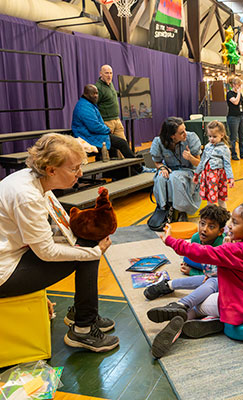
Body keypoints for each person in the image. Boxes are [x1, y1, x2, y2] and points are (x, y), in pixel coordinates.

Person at [0, 134, 118, 352]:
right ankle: (83, 329)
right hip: (5, 272)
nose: (80, 173)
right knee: (87, 252)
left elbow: (57, 228)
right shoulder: (27, 196)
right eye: (74, 168)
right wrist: (93, 252)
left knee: (85, 244)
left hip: (14, 254)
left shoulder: (35, 179)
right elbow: (46, 252)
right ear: (51, 170)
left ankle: (83, 313)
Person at [151, 200, 243, 358]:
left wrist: (170, 240)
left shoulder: (234, 250)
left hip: (237, 309)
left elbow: (201, 252)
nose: (229, 226)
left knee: (198, 305)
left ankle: (184, 320)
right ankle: (212, 320)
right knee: (211, 286)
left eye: (234, 222)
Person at [71, 85, 142, 174]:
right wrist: (107, 130)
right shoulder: (84, 107)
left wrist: (105, 130)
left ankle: (123, 173)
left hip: (93, 134)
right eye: (93, 94)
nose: (96, 96)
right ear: (86, 94)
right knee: (122, 143)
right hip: (88, 136)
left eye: (97, 93)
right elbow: (94, 126)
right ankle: (139, 169)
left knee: (114, 148)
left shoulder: (88, 104)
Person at [150, 117, 202, 221]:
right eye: (181, 132)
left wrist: (190, 157)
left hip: (188, 171)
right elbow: (157, 161)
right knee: (160, 177)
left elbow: (199, 164)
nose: (185, 134)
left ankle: (182, 211)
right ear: (172, 136)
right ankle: (163, 209)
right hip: (170, 170)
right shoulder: (158, 141)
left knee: (175, 177)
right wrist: (162, 168)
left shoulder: (192, 138)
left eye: (185, 130)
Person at [195, 121, 234, 209]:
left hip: (218, 177)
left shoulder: (224, 149)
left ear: (222, 135)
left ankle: (224, 215)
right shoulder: (208, 146)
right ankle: (210, 215)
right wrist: (197, 173)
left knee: (221, 199)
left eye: (214, 136)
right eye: (209, 136)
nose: (211, 139)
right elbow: (202, 161)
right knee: (209, 198)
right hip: (207, 176)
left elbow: (227, 164)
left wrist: (230, 178)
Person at [95, 64, 126, 141]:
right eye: (106, 73)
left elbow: (110, 94)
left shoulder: (110, 84)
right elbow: (94, 106)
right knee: (109, 147)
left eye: (111, 73)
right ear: (101, 74)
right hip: (107, 122)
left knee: (123, 144)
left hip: (117, 120)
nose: (109, 75)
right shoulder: (98, 87)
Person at [226, 77, 243, 160]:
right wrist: (239, 92)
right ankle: (234, 154)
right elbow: (235, 102)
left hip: (241, 116)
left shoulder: (240, 94)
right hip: (233, 117)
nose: (239, 86)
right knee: (233, 137)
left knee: (242, 136)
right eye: (238, 85)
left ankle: (242, 153)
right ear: (234, 85)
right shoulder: (229, 94)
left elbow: (242, 104)